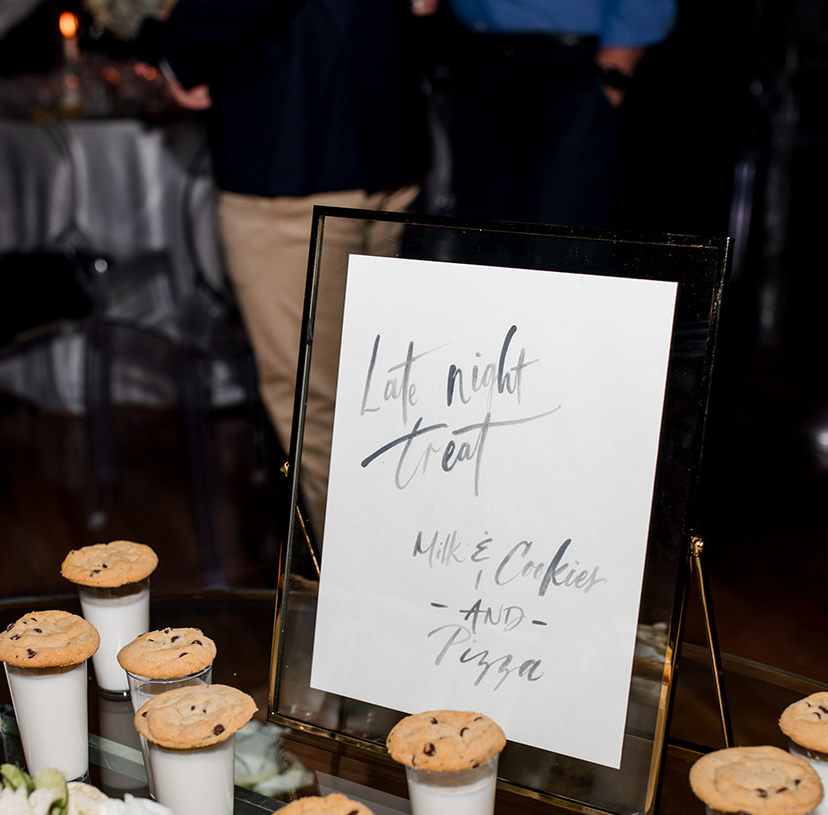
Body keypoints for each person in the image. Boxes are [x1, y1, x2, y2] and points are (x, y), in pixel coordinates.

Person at [138, 0, 433, 542]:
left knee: (321, 405)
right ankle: (401, 573)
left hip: (297, 150)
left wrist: (179, 48)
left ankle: (368, 594)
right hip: (378, 129)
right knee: (379, 393)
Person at [443, 0, 677, 228]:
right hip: (475, 55)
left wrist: (615, 68)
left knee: (561, 227)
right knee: (478, 226)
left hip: (573, 62)